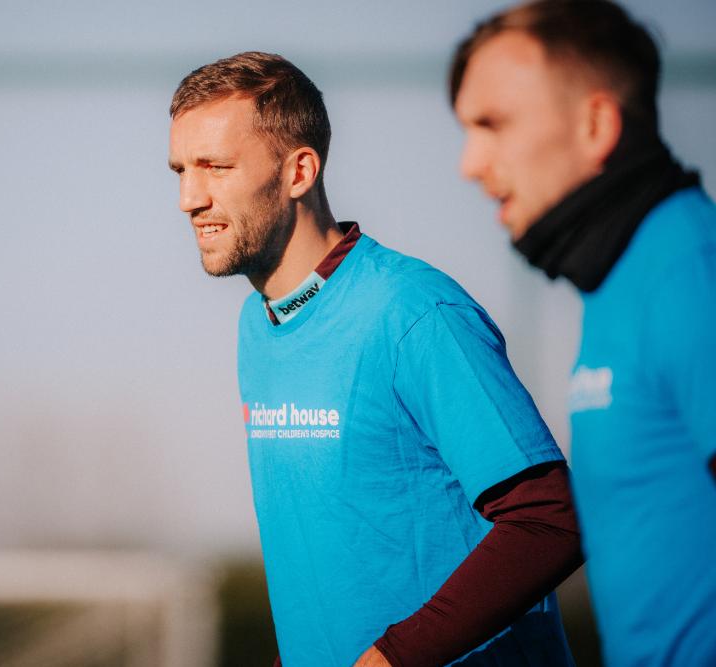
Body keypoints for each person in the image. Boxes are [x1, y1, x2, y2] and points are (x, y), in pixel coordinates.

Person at [169, 51, 583, 667]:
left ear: (299, 171)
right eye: (180, 169)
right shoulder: (257, 325)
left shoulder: (414, 312)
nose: (188, 198)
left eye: (216, 167)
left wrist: (392, 658)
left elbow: (549, 519)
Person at [450, 2, 716, 665]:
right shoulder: (619, 277)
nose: (470, 164)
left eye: (493, 125)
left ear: (595, 123)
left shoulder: (690, 272)